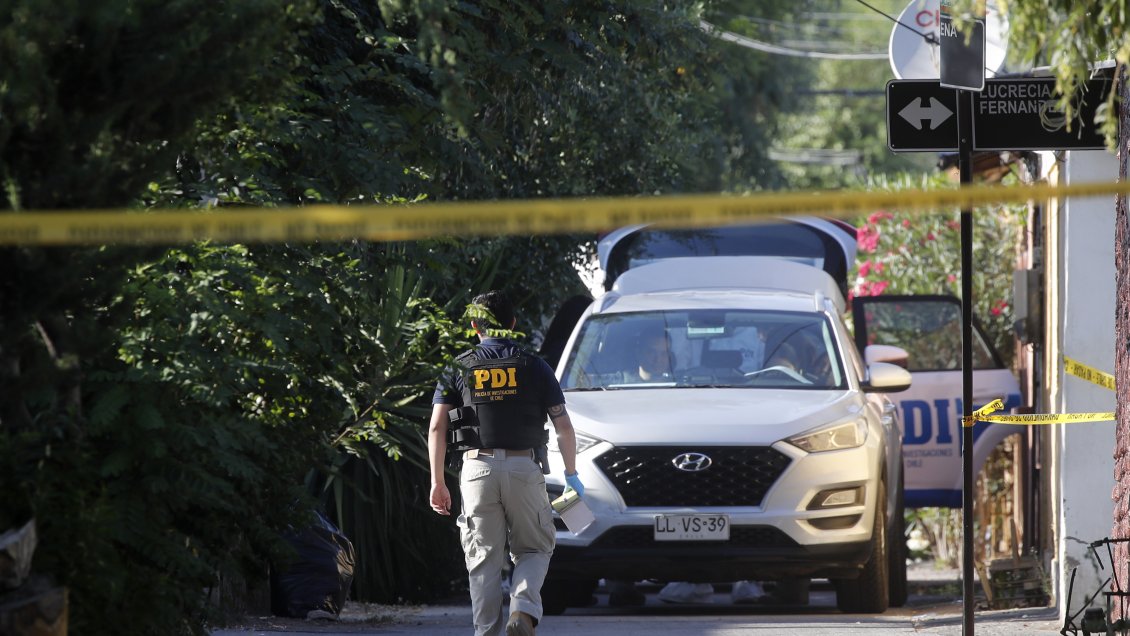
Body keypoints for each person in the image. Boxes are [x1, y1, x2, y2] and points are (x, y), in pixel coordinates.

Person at [428, 290, 583, 636]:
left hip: (476, 470)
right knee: (534, 547)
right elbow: (564, 427)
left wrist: (437, 481)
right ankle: (522, 612)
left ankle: (486, 633)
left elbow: (438, 425)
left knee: (482, 560)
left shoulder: (458, 367)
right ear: (513, 324)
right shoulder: (535, 366)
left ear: (474, 326)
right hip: (523, 469)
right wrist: (571, 475)